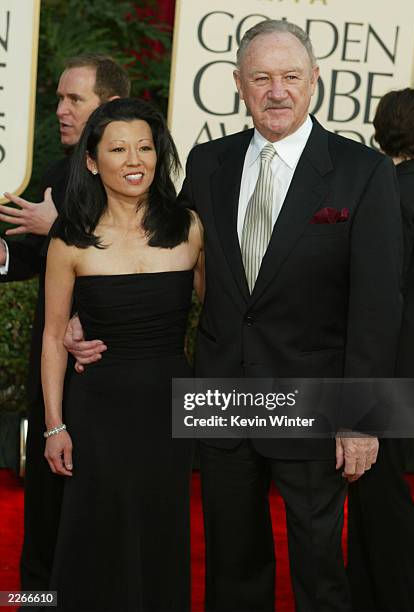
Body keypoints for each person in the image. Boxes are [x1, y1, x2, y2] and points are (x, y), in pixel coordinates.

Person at [66, 21, 402, 611]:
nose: (277, 91)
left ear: (314, 82)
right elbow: (153, 246)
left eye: (291, 77)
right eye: (262, 78)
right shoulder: (208, 163)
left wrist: (362, 417)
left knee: (319, 566)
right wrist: (81, 311)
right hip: (220, 393)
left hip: (314, 398)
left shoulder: (362, 172)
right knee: (231, 564)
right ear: (239, 86)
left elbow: (377, 304)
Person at [42, 97, 203, 611]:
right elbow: (51, 336)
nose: (134, 160)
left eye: (145, 148)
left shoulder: (189, 230)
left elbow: (227, 316)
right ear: (92, 161)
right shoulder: (70, 240)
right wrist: (54, 425)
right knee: (94, 531)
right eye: (118, 149)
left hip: (168, 408)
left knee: (162, 529)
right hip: (97, 409)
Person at [0, 54, 130, 591]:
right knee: (43, 517)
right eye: (58, 98)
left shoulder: (138, 179)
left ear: (112, 106)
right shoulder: (58, 171)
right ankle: (35, 602)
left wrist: (59, 229)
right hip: (48, 371)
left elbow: (146, 263)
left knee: (93, 518)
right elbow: (26, 257)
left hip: (107, 374)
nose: (60, 110)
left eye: (74, 99)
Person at [347, 87, 414, 612]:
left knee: (375, 483)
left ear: (377, 130)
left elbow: (380, 289)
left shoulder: (383, 194)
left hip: (394, 361)